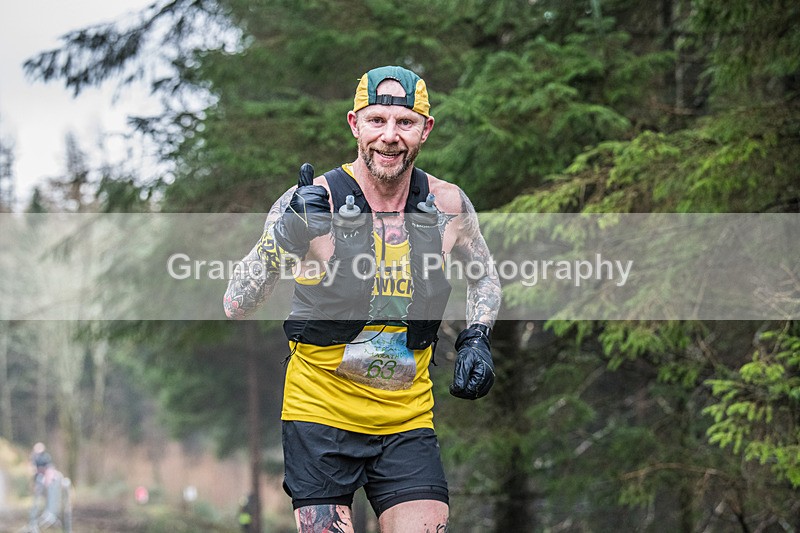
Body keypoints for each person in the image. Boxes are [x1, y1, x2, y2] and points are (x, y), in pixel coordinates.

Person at [224, 65, 502, 532]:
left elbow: (485, 277)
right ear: (354, 123)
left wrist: (477, 336)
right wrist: (285, 237)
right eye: (377, 120)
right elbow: (235, 303)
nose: (390, 137)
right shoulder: (312, 202)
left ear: (425, 130)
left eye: (405, 122)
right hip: (319, 415)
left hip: (406, 416)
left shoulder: (448, 205)